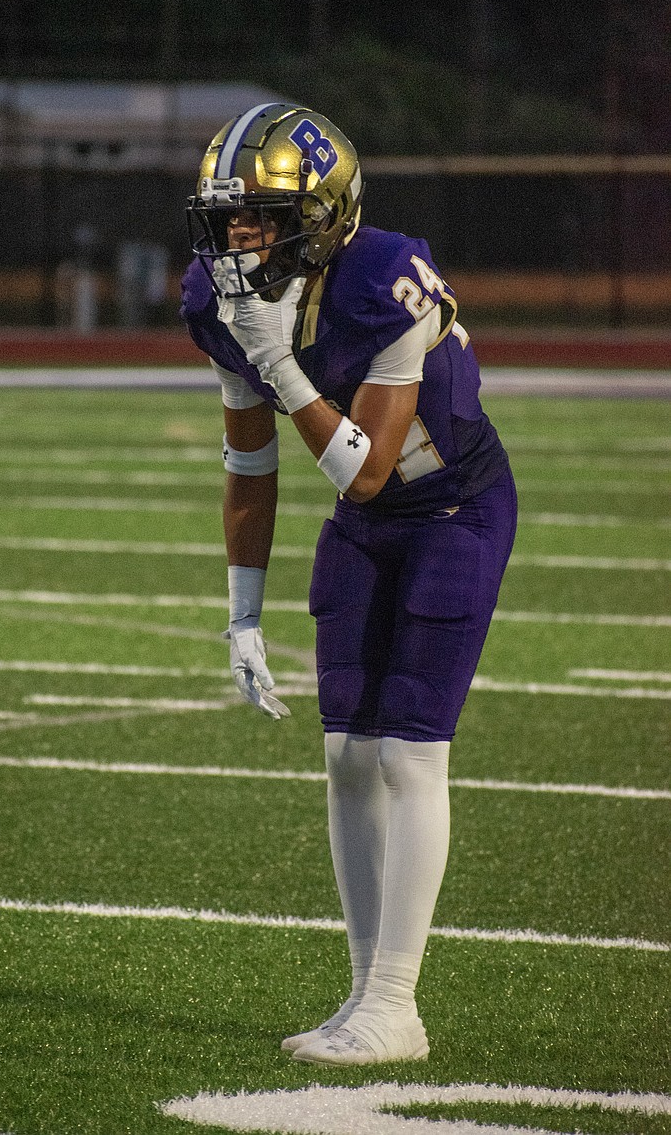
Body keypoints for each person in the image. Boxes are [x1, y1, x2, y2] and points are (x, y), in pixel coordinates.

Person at [180, 102, 517, 1065]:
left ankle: (397, 1004)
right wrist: (242, 611)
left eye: (258, 215)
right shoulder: (218, 304)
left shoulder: (385, 278)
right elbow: (251, 466)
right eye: (226, 215)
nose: (237, 235)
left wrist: (281, 359)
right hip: (367, 526)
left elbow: (368, 467)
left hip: (451, 507)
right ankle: (363, 995)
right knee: (343, 756)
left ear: (324, 214)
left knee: (408, 755)